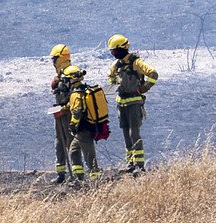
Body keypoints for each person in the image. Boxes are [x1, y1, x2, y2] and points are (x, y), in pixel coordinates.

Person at [106, 34, 159, 173]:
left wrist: (143, 88)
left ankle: (140, 166)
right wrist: (113, 85)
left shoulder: (136, 63)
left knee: (134, 133)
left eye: (114, 50)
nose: (113, 53)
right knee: (126, 135)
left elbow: (153, 74)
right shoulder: (116, 65)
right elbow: (111, 79)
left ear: (122, 48)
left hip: (134, 104)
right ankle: (130, 164)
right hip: (121, 104)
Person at [63, 65, 102, 185]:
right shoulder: (83, 89)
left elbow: (77, 111)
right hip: (86, 128)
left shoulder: (76, 93)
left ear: (72, 79)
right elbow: (73, 105)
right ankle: (78, 178)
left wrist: (72, 125)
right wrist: (63, 108)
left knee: (89, 156)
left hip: (83, 129)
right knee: (74, 151)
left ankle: (96, 182)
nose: (65, 82)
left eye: (67, 80)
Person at [48, 44, 75, 185]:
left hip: (69, 113)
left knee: (71, 142)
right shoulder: (60, 76)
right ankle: (61, 173)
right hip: (60, 113)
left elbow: (77, 98)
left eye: (54, 59)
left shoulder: (72, 73)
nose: (53, 62)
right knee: (59, 142)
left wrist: (64, 109)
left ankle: (76, 173)